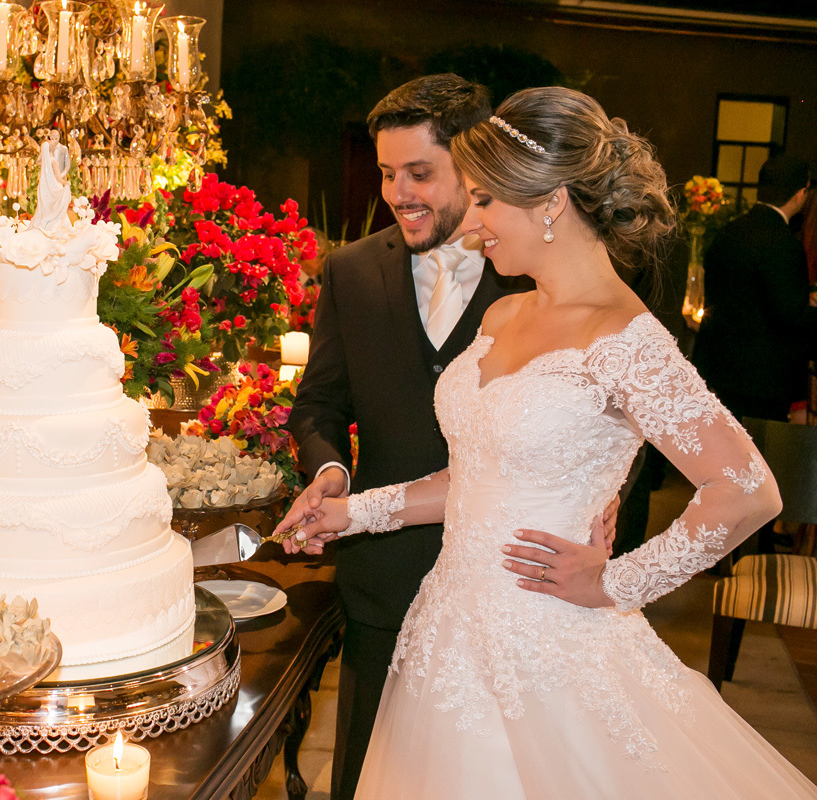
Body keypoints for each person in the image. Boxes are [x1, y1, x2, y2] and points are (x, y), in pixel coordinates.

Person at [278, 87, 817, 798]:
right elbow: (474, 479)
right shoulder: (504, 311)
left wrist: (615, 582)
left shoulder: (625, 339)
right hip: (447, 631)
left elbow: (748, 491)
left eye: (487, 201)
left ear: (552, 201)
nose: (473, 223)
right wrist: (353, 512)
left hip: (549, 642)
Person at [282, 74, 616, 800]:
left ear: (474, 168)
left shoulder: (539, 274)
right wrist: (332, 471)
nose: (399, 192)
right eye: (386, 173)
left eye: (420, 173)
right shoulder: (348, 272)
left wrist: (608, 493)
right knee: (368, 778)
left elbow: (615, 403)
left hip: (516, 584)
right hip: (384, 574)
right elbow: (318, 402)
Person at [692, 154, 816, 424]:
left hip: (722, 368)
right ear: (799, 193)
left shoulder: (729, 231)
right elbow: (790, 315)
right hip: (763, 377)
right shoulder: (783, 243)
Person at [31, 129, 71, 232]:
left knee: (47, 206)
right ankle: (53, 227)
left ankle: (47, 225)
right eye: (52, 138)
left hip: (46, 183)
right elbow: (57, 177)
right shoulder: (53, 161)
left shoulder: (60, 150)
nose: (54, 141)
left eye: (56, 138)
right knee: (56, 207)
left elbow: (67, 166)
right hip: (54, 183)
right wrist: (65, 183)